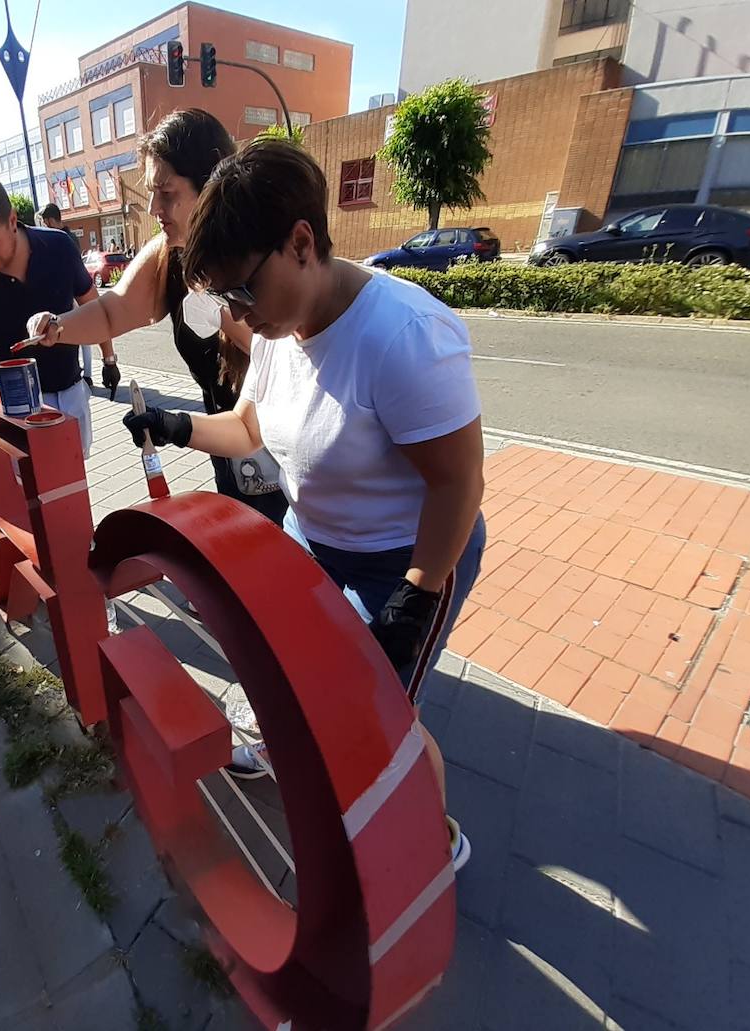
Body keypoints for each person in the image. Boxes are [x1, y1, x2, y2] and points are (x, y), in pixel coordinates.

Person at [124, 140, 486, 869]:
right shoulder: (278, 331)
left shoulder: (403, 336)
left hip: (405, 562)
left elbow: (458, 483)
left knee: (379, 721)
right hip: (312, 542)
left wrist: (416, 598)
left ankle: (429, 844)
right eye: (223, 298)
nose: (236, 313)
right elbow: (255, 427)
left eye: (243, 291)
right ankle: (280, 745)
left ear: (300, 242)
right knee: (295, 677)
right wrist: (177, 427)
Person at [26, 108, 287, 525]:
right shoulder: (170, 253)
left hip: (285, 445)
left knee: (292, 563)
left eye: (166, 193)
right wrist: (57, 327)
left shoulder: (259, 255)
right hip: (228, 438)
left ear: (212, 185)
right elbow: (115, 311)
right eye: (151, 192)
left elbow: (287, 357)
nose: (153, 207)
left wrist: (222, 313)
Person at [0, 172, 120, 456]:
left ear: (12, 220)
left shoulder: (58, 247)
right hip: (10, 403)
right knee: (25, 489)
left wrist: (108, 358)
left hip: (68, 391)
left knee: (71, 483)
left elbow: (93, 305)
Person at [35, 203, 103, 389]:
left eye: (43, 221)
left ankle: (86, 373)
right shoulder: (69, 235)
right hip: (74, 289)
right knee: (81, 332)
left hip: (72, 291)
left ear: (49, 221)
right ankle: (86, 372)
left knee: (79, 332)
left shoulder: (62, 239)